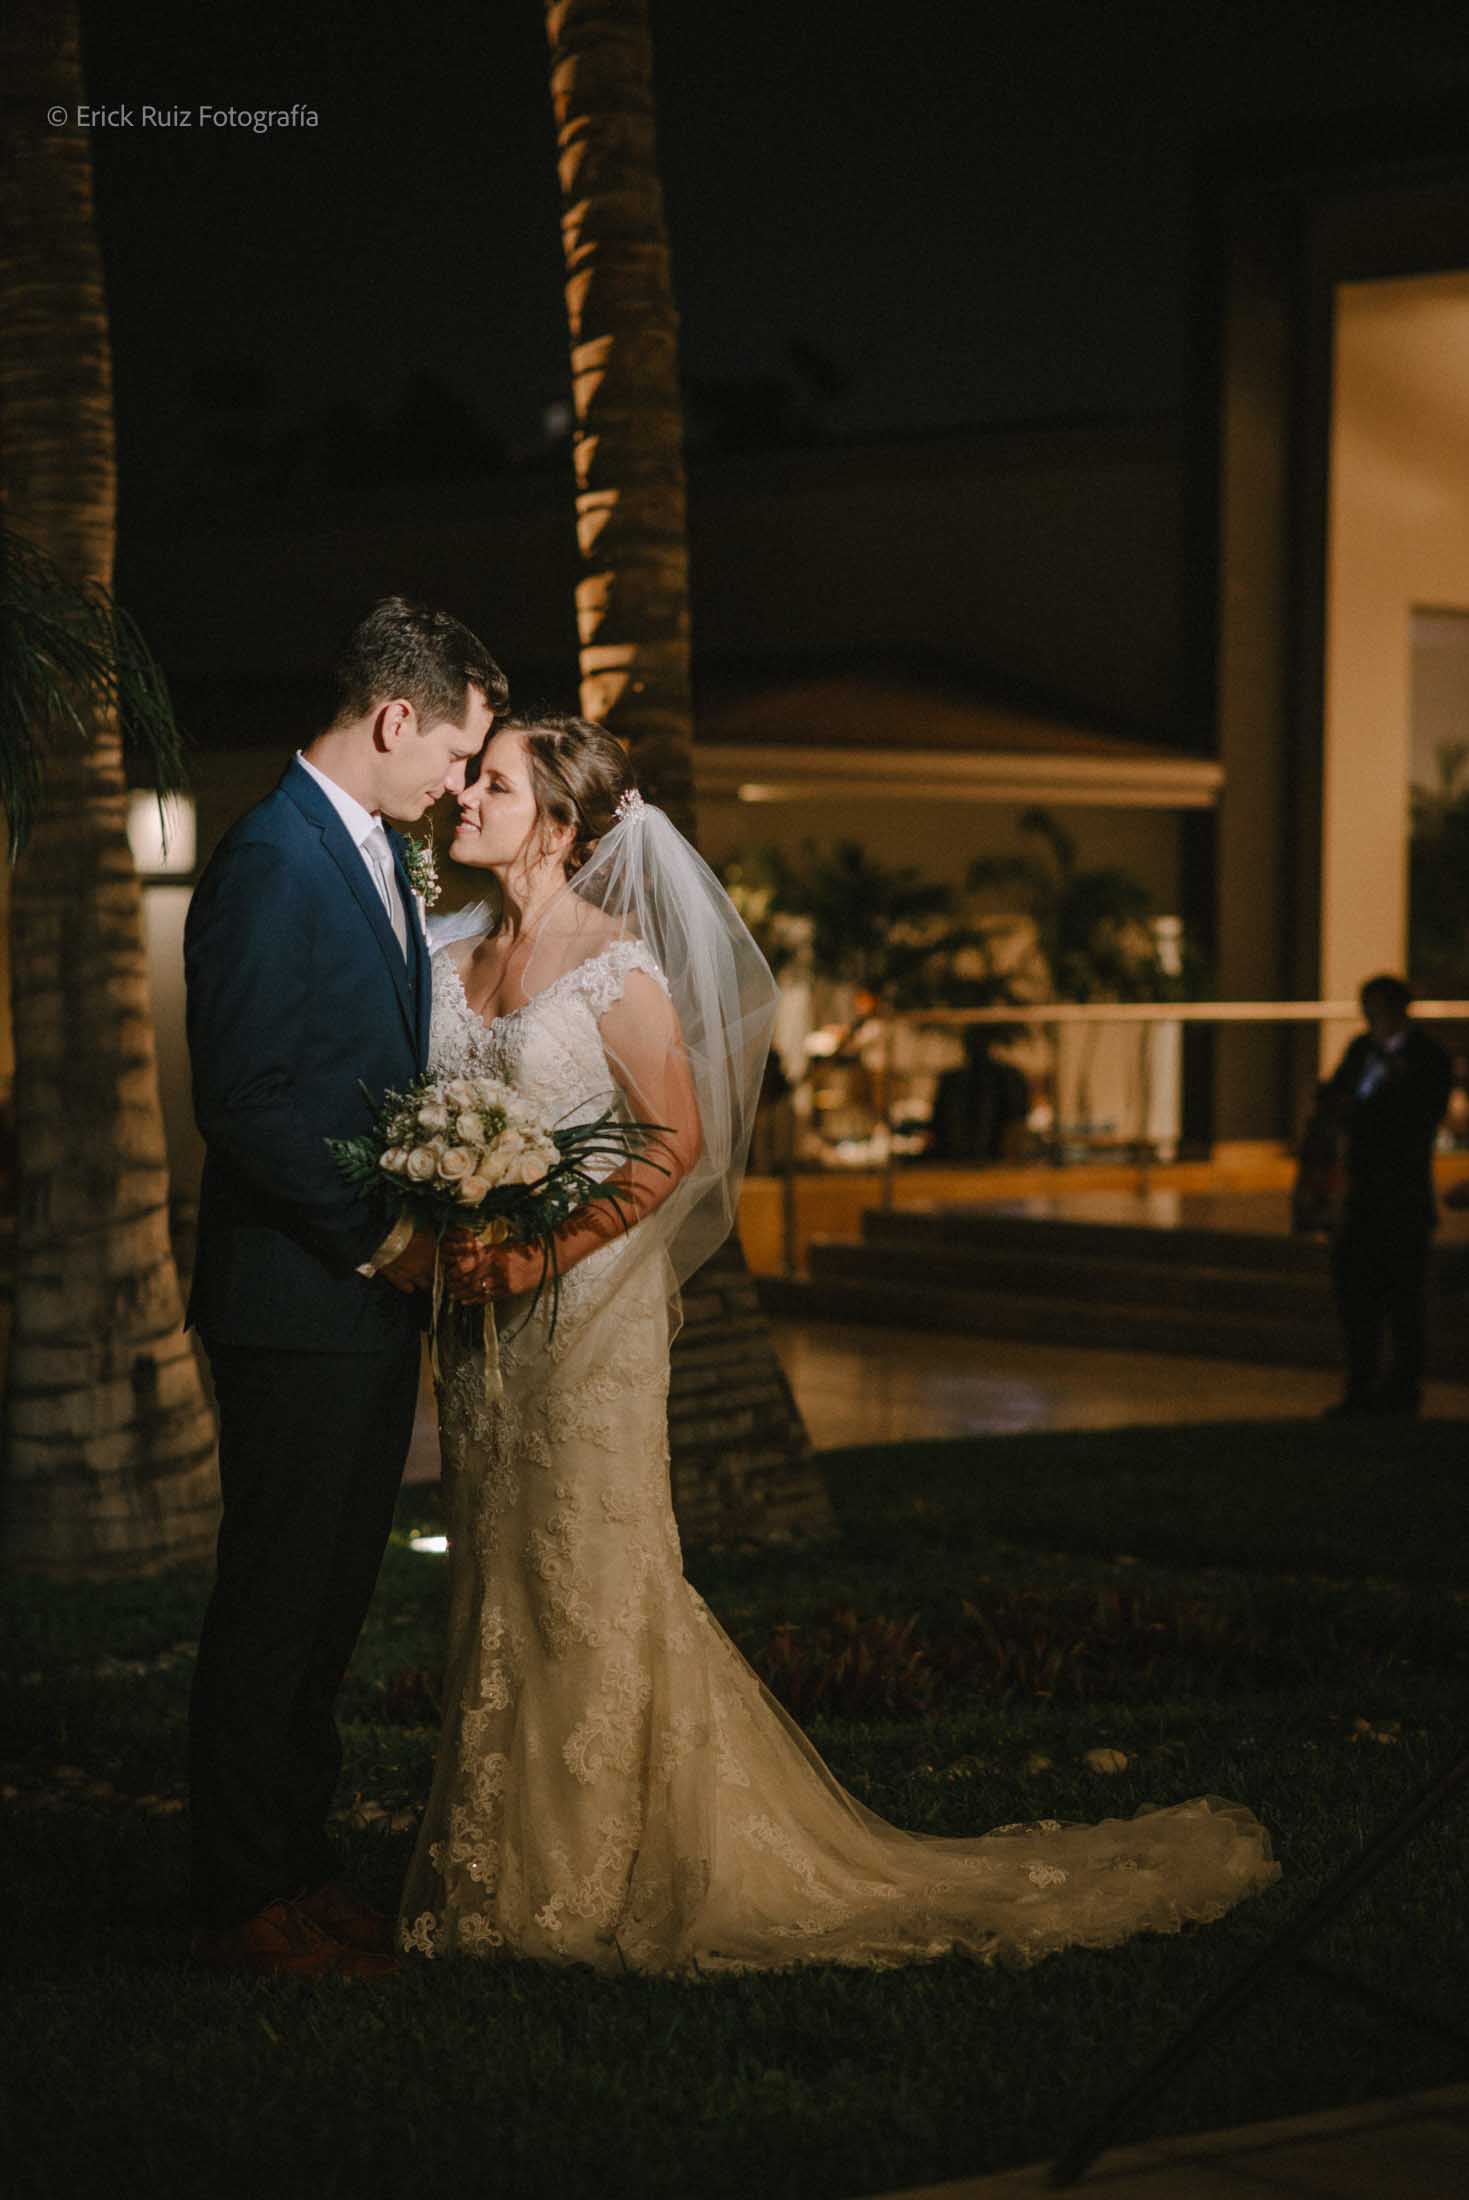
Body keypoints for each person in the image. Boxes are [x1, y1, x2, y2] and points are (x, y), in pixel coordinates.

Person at [398, 713, 1280, 1976]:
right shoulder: (448, 953)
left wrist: (544, 1252)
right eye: (469, 779)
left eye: (493, 783)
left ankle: (584, 1873)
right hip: (481, 1320)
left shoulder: (614, 969)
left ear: (560, 824)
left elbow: (673, 1142)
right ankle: (495, 1856)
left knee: (583, 1567)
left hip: (584, 1316)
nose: (464, 797)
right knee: (497, 1567)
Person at [183, 596, 505, 1978]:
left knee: (326, 1608)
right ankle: (243, 1895)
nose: (461, 780)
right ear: (394, 718)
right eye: (458, 751)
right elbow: (246, 1098)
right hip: (296, 1300)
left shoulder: (369, 848)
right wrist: (382, 1239)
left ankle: (300, 1866)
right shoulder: (272, 856)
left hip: (360, 1308)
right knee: (274, 1603)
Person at [1319, 975, 1453, 1418]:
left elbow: (1422, 1115)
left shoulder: (1428, 1057)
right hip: (1360, 1195)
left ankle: (1402, 1389)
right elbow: (1337, 1098)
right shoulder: (1362, 1050)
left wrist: (1372, 1111)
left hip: (1402, 1195)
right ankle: (1360, 1386)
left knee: (1404, 1301)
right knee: (1358, 1299)